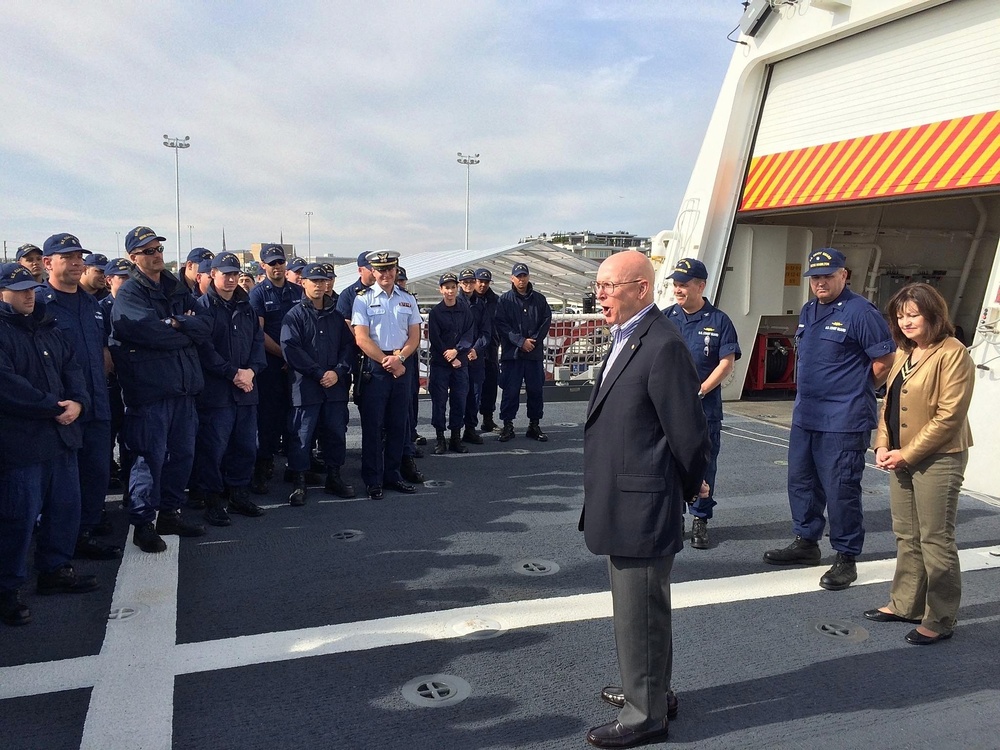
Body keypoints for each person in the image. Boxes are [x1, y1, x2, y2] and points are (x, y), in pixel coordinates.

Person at [579, 250, 709, 748]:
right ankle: (652, 689)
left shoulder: (662, 345)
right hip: (627, 499)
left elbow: (689, 434)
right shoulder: (630, 337)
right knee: (637, 611)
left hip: (643, 503)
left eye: (610, 286)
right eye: (599, 285)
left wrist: (683, 486)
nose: (601, 294)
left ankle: (645, 716)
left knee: (641, 612)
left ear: (640, 289)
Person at [764, 248, 895, 590]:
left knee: (841, 488)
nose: (820, 283)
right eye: (815, 278)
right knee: (801, 482)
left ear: (843, 275)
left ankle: (846, 557)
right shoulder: (809, 310)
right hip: (807, 415)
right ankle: (806, 543)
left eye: (827, 276)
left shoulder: (860, 312)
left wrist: (856, 389)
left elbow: (885, 359)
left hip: (844, 419)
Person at [869, 283, 975, 645]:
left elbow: (949, 417)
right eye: (900, 316)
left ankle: (941, 616)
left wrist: (907, 453)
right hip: (900, 456)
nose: (906, 321)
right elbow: (889, 402)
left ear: (933, 314)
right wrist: (882, 443)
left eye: (913, 314)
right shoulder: (904, 351)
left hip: (938, 459)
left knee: (935, 538)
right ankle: (906, 603)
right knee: (907, 535)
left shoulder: (953, 353)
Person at [0, 263, 98, 627]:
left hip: (61, 436)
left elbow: (73, 369)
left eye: (32, 287)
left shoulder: (47, 326)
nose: (29, 294)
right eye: (20, 289)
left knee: (65, 507)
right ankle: (8, 589)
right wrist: (53, 406)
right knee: (18, 518)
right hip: (23, 443)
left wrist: (79, 402)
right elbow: (7, 386)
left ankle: (55, 569)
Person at [110, 226, 211, 552]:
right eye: (148, 251)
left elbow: (207, 324)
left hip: (182, 388)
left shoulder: (175, 287)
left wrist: (178, 323)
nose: (156, 256)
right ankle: (142, 523)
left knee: (181, 455)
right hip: (151, 392)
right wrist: (184, 327)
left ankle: (169, 513)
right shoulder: (130, 293)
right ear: (133, 257)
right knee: (148, 459)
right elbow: (148, 333)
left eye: (158, 250)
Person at [37, 233, 121, 561]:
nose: (76, 263)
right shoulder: (41, 303)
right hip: (63, 408)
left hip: (96, 402)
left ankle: (83, 533)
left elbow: (101, 348)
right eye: (67, 257)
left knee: (96, 473)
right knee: (62, 485)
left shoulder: (89, 302)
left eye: (78, 257)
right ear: (47, 263)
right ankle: (57, 547)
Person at [663, 258, 742, 550]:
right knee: (669, 464)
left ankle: (700, 519)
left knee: (704, 465)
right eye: (675, 284)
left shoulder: (719, 321)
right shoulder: (665, 318)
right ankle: (674, 519)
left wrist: (700, 390)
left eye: (683, 284)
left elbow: (727, 363)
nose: (678, 290)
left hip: (703, 410)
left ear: (701, 285)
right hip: (668, 411)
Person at [191, 252, 268, 526]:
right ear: (213, 274)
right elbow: (204, 349)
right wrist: (232, 372)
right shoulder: (202, 307)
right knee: (213, 449)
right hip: (217, 393)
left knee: (246, 446)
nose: (232, 279)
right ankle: (212, 500)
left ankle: (238, 494)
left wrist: (251, 371)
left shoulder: (247, 307)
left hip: (246, 389)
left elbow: (257, 344)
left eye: (235, 274)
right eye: (226, 274)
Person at [281, 263, 356, 505]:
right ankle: (299, 482)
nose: (320, 286)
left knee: (335, 433)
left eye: (323, 281)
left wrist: (338, 372)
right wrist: (318, 373)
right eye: (314, 281)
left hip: (334, 387)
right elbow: (290, 349)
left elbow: (348, 348)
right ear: (303, 282)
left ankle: (334, 477)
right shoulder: (294, 316)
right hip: (306, 387)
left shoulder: (335, 316)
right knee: (301, 436)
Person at [351, 250, 422, 500]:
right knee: (373, 426)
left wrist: (400, 358)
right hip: (376, 368)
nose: (386, 274)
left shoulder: (407, 299)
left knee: (397, 425)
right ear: (373, 271)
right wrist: (386, 361)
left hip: (402, 367)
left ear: (395, 270)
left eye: (390, 269)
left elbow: (415, 335)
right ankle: (373, 479)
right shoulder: (362, 300)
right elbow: (361, 338)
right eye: (381, 270)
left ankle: (392, 475)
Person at [247, 243, 302, 493]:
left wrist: (294, 358)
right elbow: (259, 332)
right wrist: (284, 355)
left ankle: (296, 465)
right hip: (271, 363)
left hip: (295, 365)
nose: (277, 267)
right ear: (263, 266)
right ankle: (263, 465)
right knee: (267, 418)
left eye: (280, 262)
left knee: (295, 416)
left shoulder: (298, 291)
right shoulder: (258, 294)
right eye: (272, 263)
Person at [494, 262, 552, 442]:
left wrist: (531, 341)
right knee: (510, 391)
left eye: (524, 276)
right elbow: (502, 325)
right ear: (512, 278)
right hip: (513, 356)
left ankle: (534, 425)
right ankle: (508, 425)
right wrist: (520, 342)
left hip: (533, 354)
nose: (521, 279)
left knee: (536, 390)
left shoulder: (540, 300)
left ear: (528, 277)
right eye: (518, 276)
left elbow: (546, 321)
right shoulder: (504, 300)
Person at [427, 272, 474, 455]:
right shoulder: (436, 313)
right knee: (439, 401)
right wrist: (450, 357)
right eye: (446, 287)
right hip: (441, 364)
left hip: (460, 363)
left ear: (457, 288)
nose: (450, 291)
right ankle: (440, 438)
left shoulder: (465, 310)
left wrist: (458, 351)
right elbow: (436, 339)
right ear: (441, 290)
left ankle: (456, 437)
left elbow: (469, 333)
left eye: (453, 287)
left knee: (459, 400)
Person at [101, 258, 133, 497]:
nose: (126, 282)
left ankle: (129, 486)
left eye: (129, 277)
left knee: (131, 438)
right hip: (111, 383)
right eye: (121, 277)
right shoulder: (101, 308)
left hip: (133, 380)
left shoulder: (137, 305)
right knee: (107, 438)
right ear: (109, 280)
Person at [459, 268, 491, 445]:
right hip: (458, 357)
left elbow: (486, 332)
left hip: (476, 357)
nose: (469, 285)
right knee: (459, 395)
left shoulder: (481, 304)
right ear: (460, 284)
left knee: (475, 394)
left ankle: (470, 429)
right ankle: (454, 431)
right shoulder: (454, 303)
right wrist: (464, 350)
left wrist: (475, 349)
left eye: (471, 282)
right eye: (465, 282)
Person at [474, 268, 500, 432]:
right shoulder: (467, 300)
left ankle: (488, 419)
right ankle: (468, 424)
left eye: (486, 282)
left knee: (490, 387)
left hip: (490, 350)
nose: (483, 284)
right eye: (480, 281)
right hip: (472, 350)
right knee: (472, 389)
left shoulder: (496, 301)